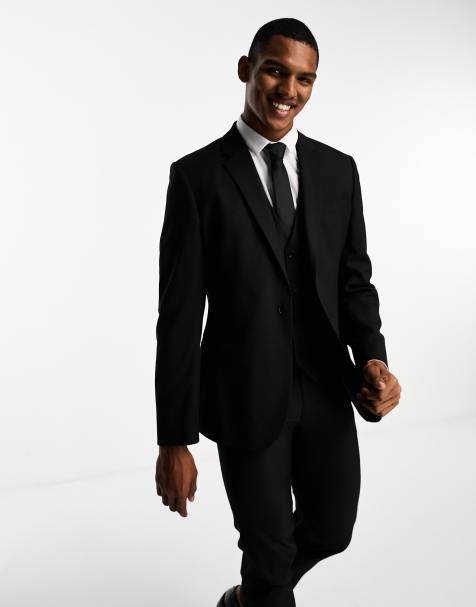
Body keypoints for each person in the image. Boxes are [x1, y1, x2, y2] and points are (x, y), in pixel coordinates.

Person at [154, 17, 401, 607]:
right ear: (246, 69)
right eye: (274, 71)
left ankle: (247, 598)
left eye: (304, 79)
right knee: (269, 558)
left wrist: (373, 358)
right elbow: (179, 318)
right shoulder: (197, 178)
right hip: (244, 398)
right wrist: (173, 440)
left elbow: (354, 283)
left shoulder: (338, 170)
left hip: (326, 390)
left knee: (332, 531)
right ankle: (262, 591)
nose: (289, 90)